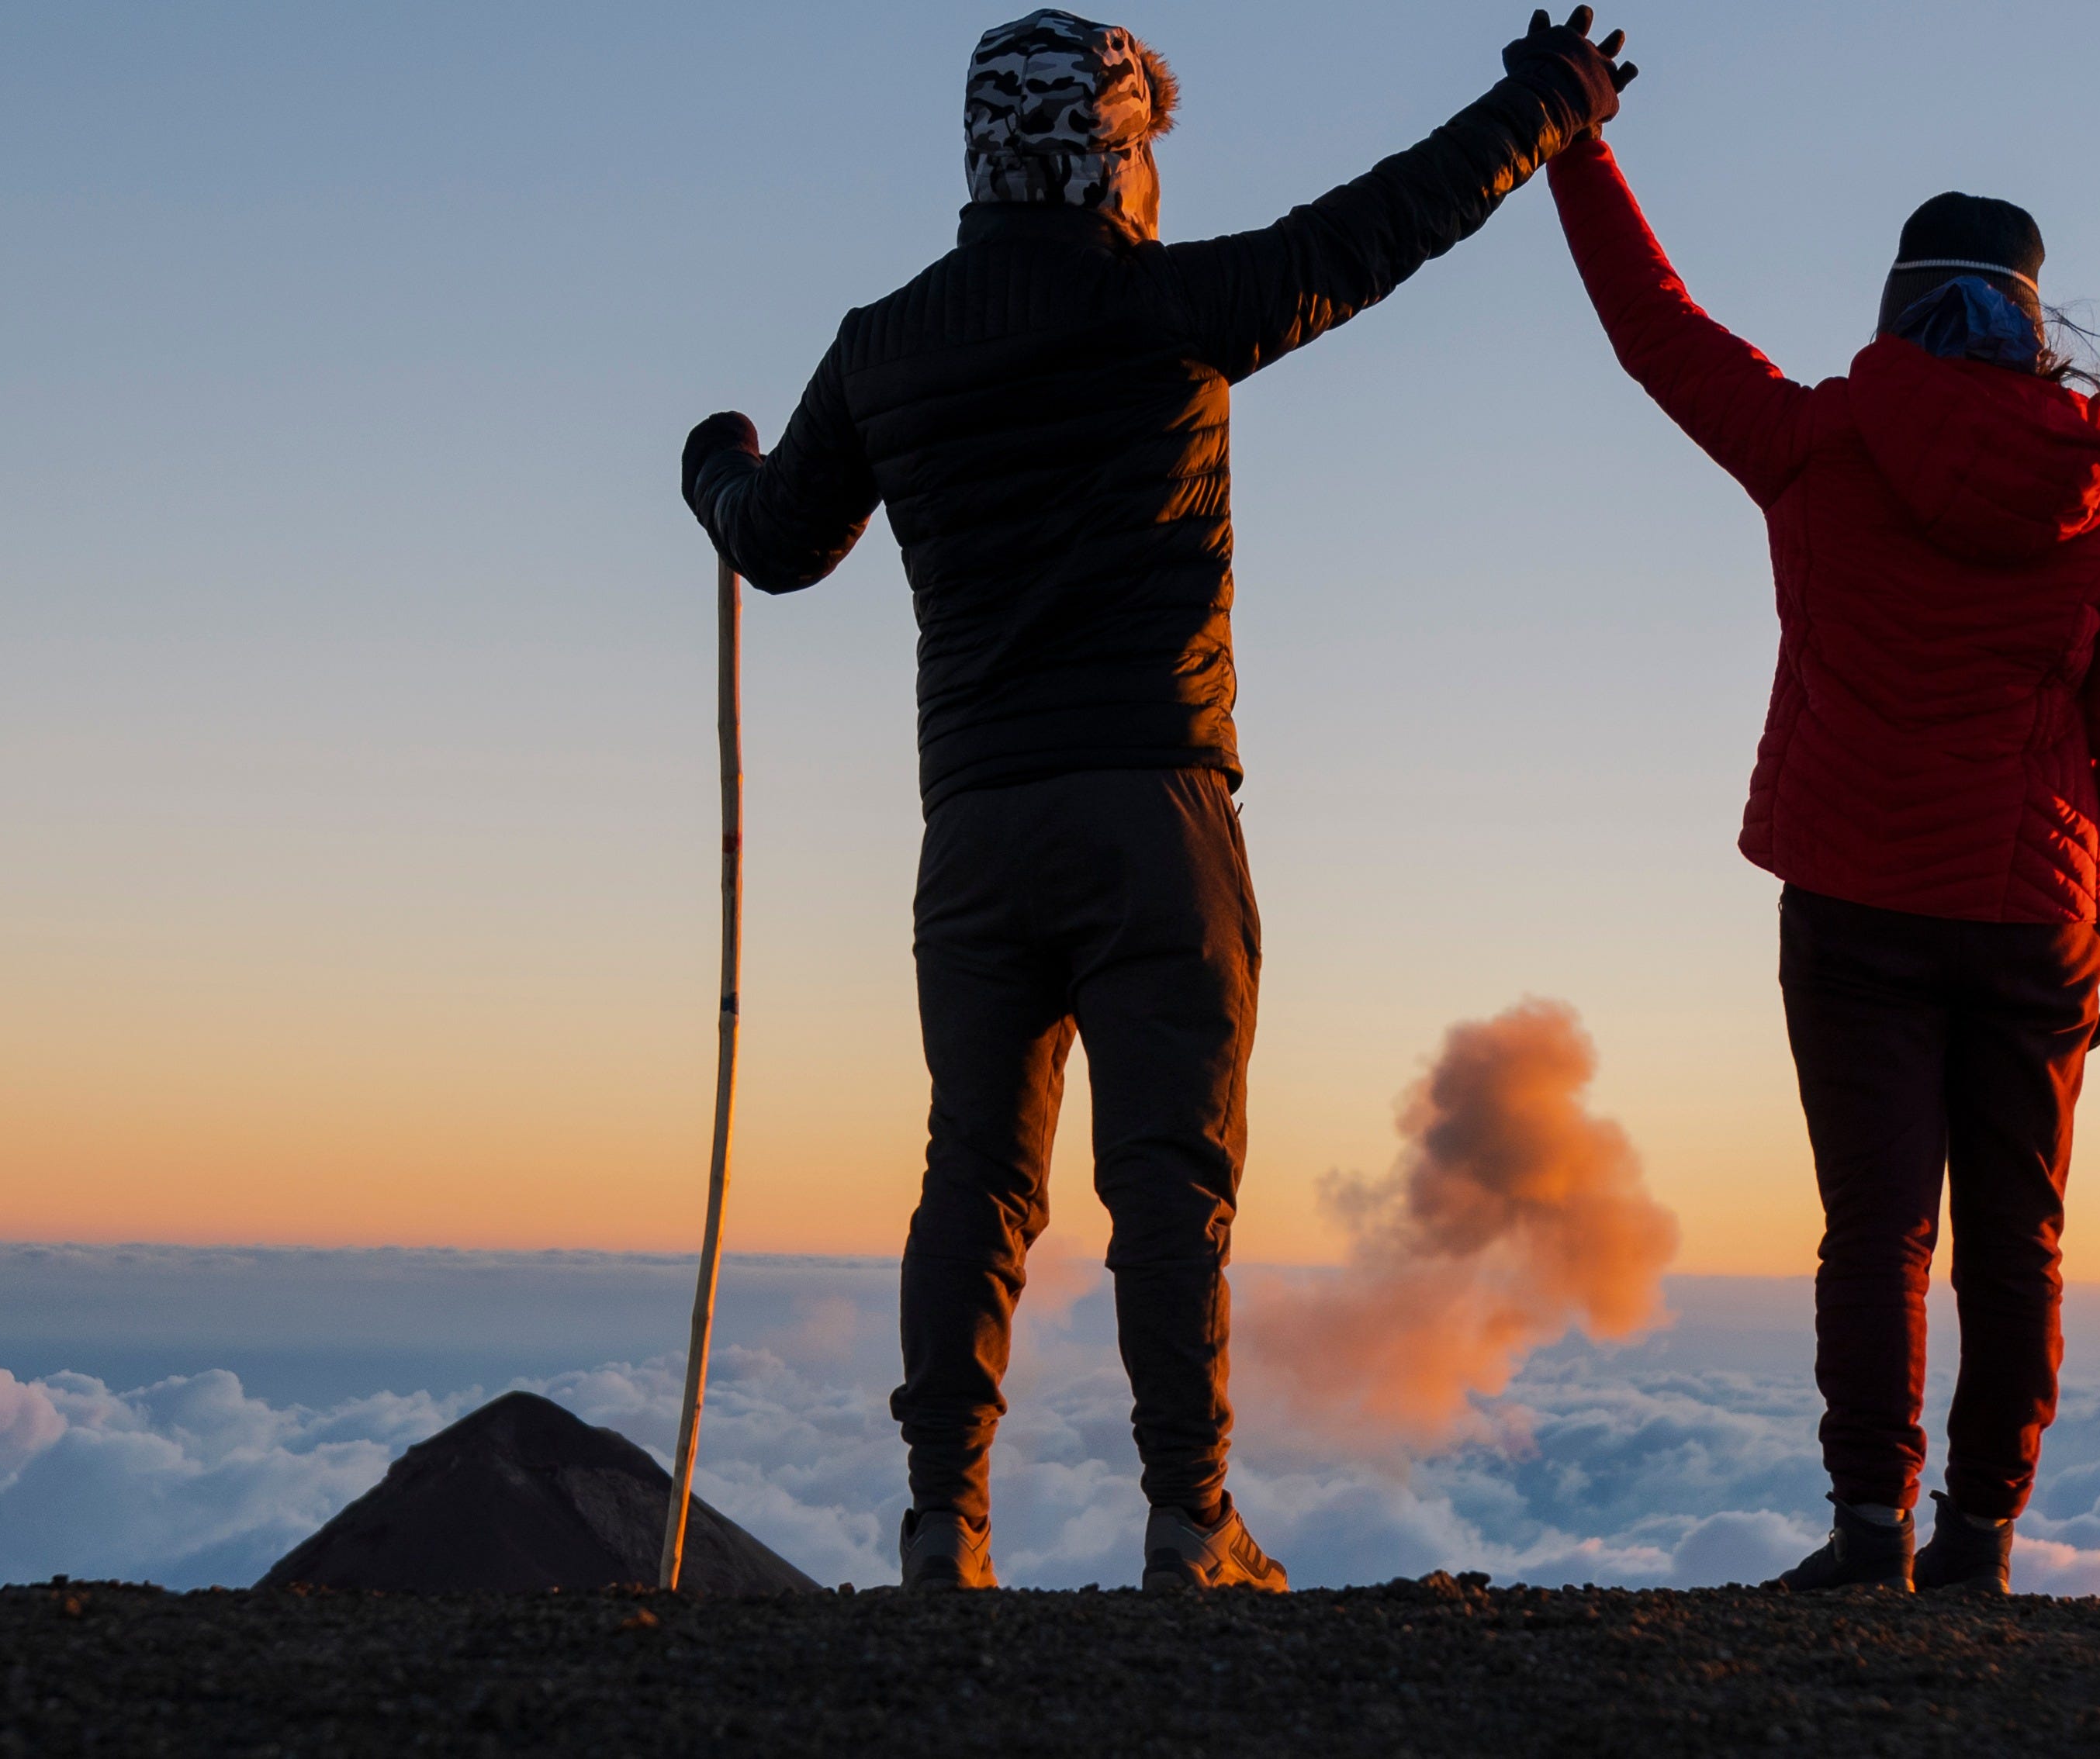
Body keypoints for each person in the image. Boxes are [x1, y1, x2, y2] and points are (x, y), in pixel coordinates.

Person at [679, 9, 1641, 1592]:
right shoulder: (1169, 306)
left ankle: (942, 1522)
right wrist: (1547, 101)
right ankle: (1190, 1522)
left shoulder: (882, 345)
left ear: (981, 155)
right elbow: (1384, 224)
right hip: (1154, 813)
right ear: (1116, 152)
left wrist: (712, 461)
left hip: (973, 833)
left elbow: (777, 541)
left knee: (973, 1170)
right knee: (1167, 1176)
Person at [1541, 131, 2100, 1593]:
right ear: (2032, 315)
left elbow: (1659, 331)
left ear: (1899, 304)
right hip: (2038, 918)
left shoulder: (1816, 442)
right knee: (2018, 1241)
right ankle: (1980, 1543)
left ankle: (1865, 1536)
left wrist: (1576, 150)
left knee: (1877, 1231)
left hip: (1853, 904)